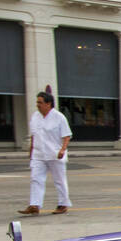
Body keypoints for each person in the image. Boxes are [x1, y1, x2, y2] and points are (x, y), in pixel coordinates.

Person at [20, 87, 72, 215]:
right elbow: (34, 135)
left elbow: (66, 136)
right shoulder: (35, 117)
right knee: (36, 179)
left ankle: (63, 204)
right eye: (37, 102)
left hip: (55, 154)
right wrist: (31, 151)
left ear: (48, 104)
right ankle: (35, 205)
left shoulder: (59, 117)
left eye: (40, 102)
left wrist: (63, 149)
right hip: (38, 154)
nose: (37, 105)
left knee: (59, 180)